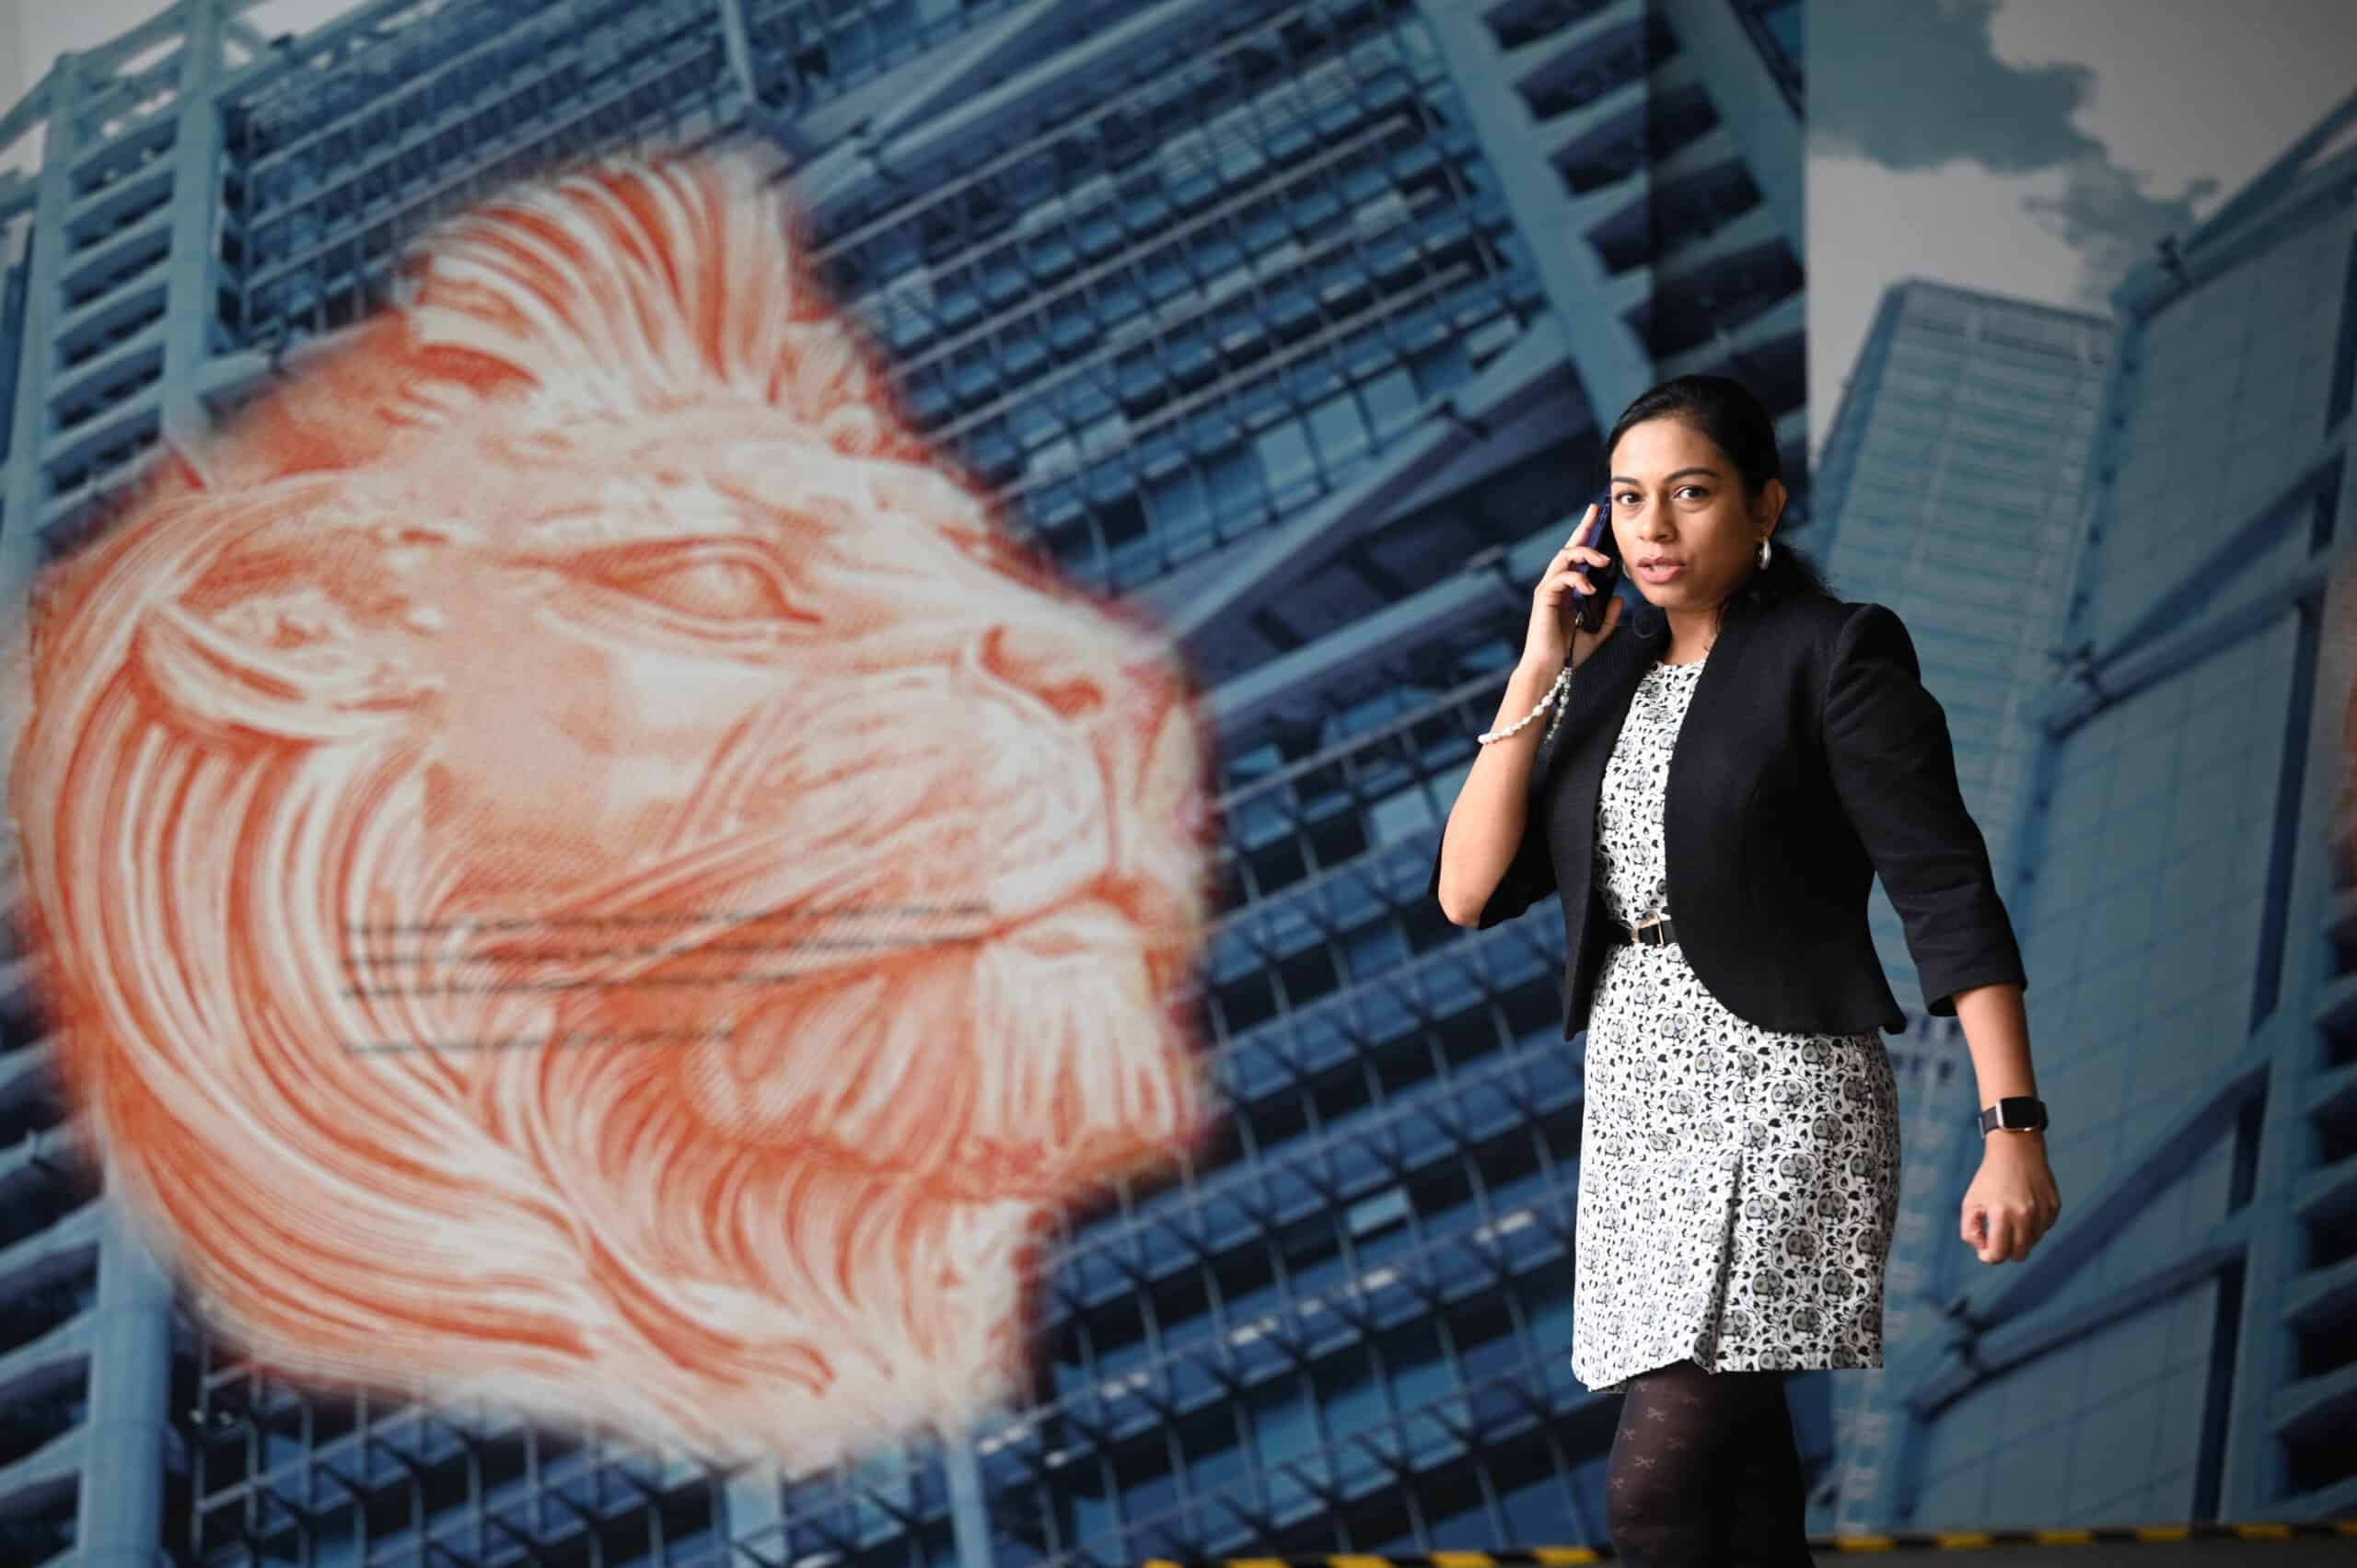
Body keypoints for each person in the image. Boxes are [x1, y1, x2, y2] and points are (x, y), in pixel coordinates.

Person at [1429, 375, 2061, 1563]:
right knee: (1738, 1485)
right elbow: (1467, 891)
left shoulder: (1835, 654)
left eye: (1690, 494)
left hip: (1782, 1085)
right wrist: (1536, 670)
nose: (1652, 530)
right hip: (1638, 1095)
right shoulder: (1607, 677)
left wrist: (2011, 1126)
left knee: (1656, 1486)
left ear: (1764, 506)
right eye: (1626, 500)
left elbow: (1944, 890)